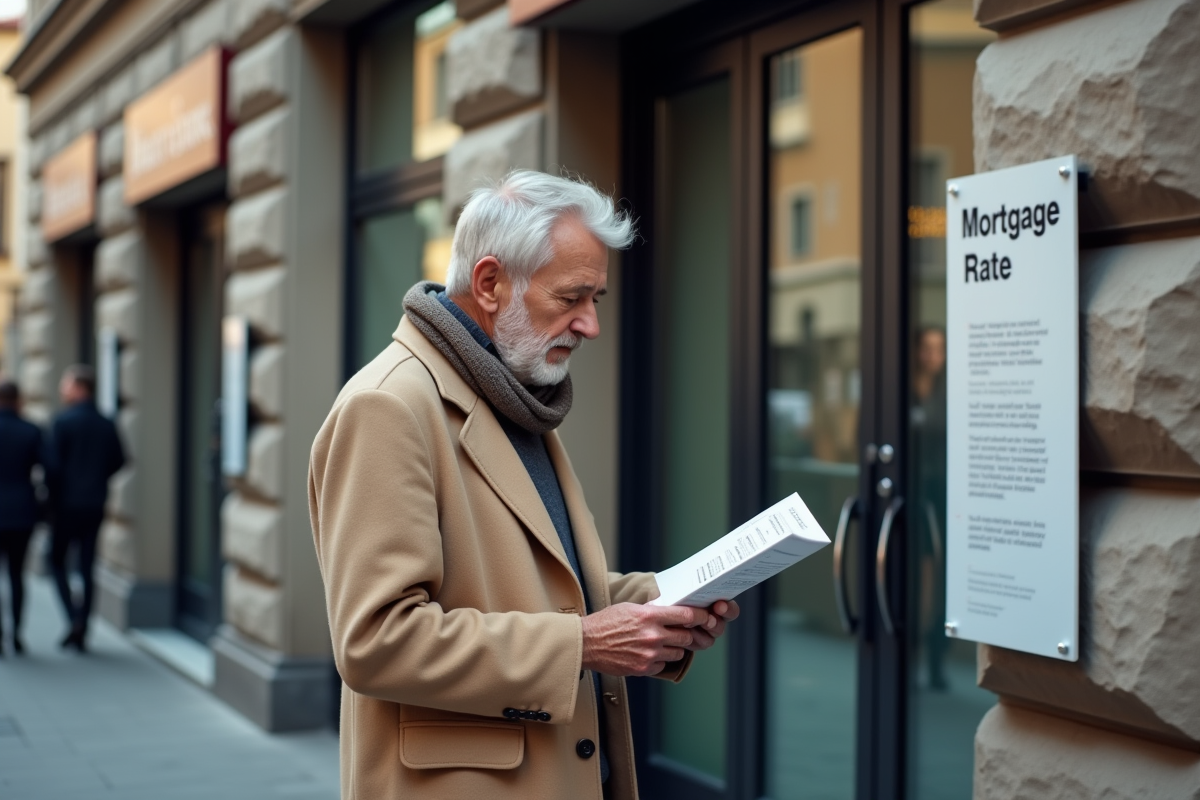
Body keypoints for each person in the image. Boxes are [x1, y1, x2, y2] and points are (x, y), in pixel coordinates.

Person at [309, 171, 738, 800]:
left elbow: (532, 585)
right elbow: (376, 642)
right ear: (489, 284)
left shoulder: (510, 390)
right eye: (571, 297)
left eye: (597, 299)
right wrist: (586, 644)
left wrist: (659, 602)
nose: (589, 324)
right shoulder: (390, 406)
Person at [45, 365, 125, 652]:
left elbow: (52, 467)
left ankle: (74, 618)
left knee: (56, 562)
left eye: (66, 385)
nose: (62, 390)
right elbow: (119, 460)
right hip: (94, 502)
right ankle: (83, 625)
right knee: (87, 565)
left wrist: (53, 498)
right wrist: (96, 479)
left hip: (66, 505)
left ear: (80, 388)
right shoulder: (105, 423)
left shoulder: (63, 422)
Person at [0, 378, 44, 656]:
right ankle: (16, 633)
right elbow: (51, 468)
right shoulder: (31, 430)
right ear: (19, 400)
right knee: (17, 574)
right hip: (21, 511)